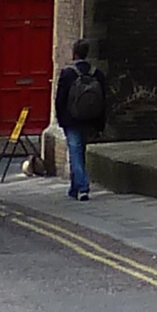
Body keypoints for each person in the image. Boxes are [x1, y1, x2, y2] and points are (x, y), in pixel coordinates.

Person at [51, 39, 106, 203]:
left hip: (72, 120)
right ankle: (74, 188)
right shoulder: (97, 73)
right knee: (79, 152)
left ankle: (83, 187)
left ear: (74, 53)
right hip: (89, 119)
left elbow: (60, 99)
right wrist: (100, 124)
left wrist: (60, 119)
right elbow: (103, 100)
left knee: (75, 153)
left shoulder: (68, 73)